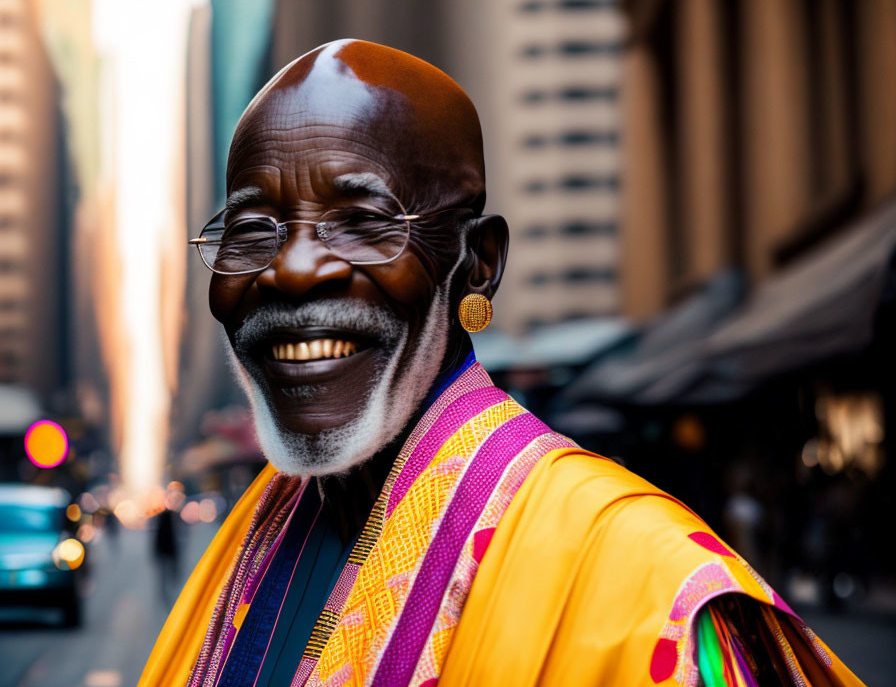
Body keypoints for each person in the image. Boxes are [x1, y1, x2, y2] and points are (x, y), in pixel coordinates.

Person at [140, 40, 863, 686]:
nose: (291, 272)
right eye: (252, 231)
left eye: (363, 223)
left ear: (477, 263)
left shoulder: (646, 587)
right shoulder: (252, 538)